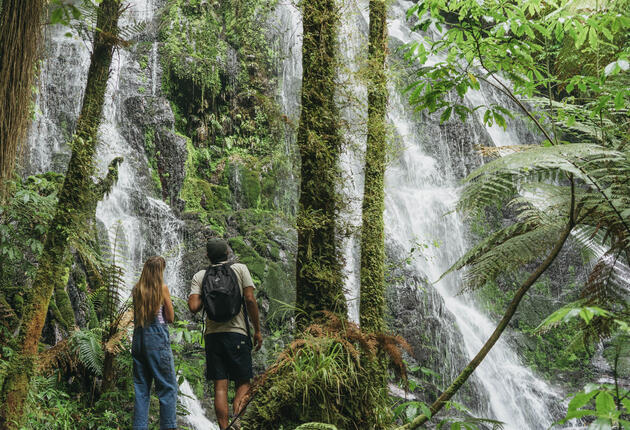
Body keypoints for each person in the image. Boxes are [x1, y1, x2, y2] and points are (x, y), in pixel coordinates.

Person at [188, 239, 263, 430]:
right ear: (228, 253)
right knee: (244, 381)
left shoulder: (200, 275)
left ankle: (224, 428)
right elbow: (250, 300)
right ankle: (237, 418)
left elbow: (193, 307)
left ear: (207, 256)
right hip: (238, 334)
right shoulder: (240, 269)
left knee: (220, 387)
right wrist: (257, 330)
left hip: (213, 337)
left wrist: (207, 295)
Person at [131, 256, 178, 430]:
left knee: (141, 390)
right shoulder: (162, 288)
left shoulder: (137, 289)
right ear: (159, 272)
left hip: (138, 340)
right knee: (167, 388)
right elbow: (171, 318)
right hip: (156, 340)